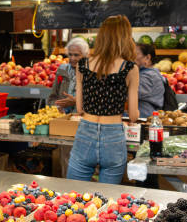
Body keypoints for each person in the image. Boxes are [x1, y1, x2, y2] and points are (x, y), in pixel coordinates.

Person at [67, 15, 139, 185]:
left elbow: (79, 108)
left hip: (85, 133)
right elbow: (134, 116)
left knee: (74, 195)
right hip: (113, 136)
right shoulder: (130, 68)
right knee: (107, 200)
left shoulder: (83, 64)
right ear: (125, 38)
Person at [48, 37, 89, 114]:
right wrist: (57, 108)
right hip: (63, 118)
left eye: (76, 55)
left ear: (85, 55)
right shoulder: (62, 70)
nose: (72, 58)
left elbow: (96, 103)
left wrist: (76, 102)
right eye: (70, 54)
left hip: (82, 118)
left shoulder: (91, 73)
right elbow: (52, 98)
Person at [135, 43, 165, 117]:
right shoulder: (149, 73)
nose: (130, 57)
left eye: (135, 54)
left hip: (145, 118)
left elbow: (131, 93)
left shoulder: (149, 76)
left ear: (147, 58)